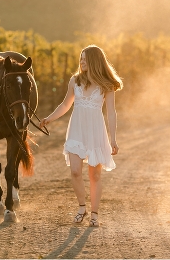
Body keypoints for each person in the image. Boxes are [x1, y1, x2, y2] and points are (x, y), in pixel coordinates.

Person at [39, 45, 123, 227]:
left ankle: (94, 213)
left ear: (94, 60)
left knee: (95, 175)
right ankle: (81, 207)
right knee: (75, 171)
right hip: (76, 130)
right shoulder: (75, 81)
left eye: (85, 58)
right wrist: (49, 118)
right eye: (81, 59)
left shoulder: (106, 85)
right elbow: (65, 105)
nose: (82, 62)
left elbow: (111, 113)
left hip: (95, 132)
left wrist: (113, 139)